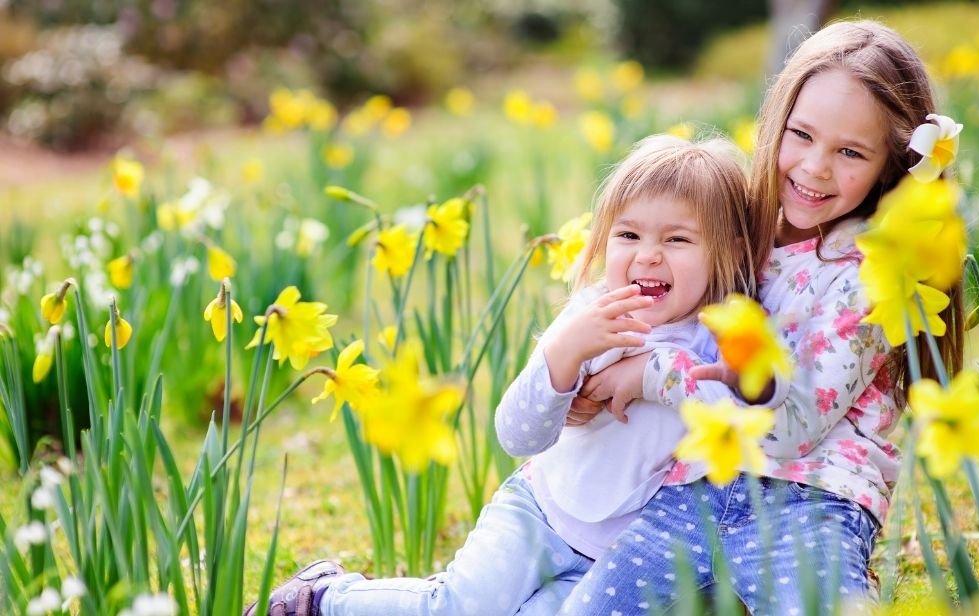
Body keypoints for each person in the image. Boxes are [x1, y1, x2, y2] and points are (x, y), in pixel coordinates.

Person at [245, 133, 762, 616]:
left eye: (677, 239)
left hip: (617, 558)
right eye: (628, 234)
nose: (646, 255)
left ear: (731, 250)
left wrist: (651, 372)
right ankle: (327, 597)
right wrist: (561, 357)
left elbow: (744, 423)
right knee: (458, 606)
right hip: (538, 509)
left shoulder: (724, 335)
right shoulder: (593, 317)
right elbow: (516, 434)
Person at [556, 19, 965, 616]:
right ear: (776, 123)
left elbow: (790, 427)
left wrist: (649, 375)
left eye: (850, 152)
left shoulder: (877, 276)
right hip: (693, 486)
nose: (816, 167)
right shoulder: (743, 230)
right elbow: (653, 294)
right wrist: (584, 373)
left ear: (892, 165)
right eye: (801, 134)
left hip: (812, 500)